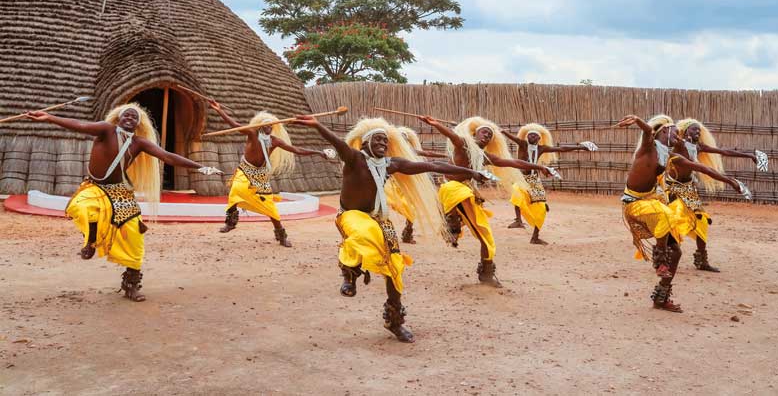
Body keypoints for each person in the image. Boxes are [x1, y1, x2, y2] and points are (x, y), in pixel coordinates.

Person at [292, 115, 489, 343]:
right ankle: (350, 271)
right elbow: (338, 143)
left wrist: (472, 173)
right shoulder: (354, 158)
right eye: (378, 140)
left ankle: (395, 320)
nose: (383, 144)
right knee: (366, 234)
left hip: (379, 219)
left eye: (385, 141)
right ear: (365, 142)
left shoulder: (391, 164)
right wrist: (317, 125)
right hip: (351, 216)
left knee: (395, 267)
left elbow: (431, 165)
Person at [26, 104, 221, 302]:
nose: (129, 118)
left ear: (138, 123)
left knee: (134, 235)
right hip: (94, 186)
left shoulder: (139, 143)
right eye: (126, 115)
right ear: (119, 118)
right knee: (83, 207)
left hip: (120, 191)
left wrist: (202, 168)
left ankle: (131, 283)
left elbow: (167, 156)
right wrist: (50, 118)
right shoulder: (105, 129)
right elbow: (81, 125)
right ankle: (91, 241)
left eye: (134, 117)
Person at [617, 114, 750, 313]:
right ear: (663, 131)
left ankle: (661, 297)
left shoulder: (671, 157)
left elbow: (702, 167)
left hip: (653, 201)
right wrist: (637, 120)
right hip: (635, 203)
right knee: (667, 213)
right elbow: (647, 130)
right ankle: (659, 261)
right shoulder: (648, 147)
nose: (678, 135)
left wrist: (731, 182)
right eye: (674, 131)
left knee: (677, 252)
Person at [419, 115, 556, 287]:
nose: (487, 136)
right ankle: (451, 220)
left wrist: (539, 167)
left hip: (466, 192)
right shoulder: (463, 145)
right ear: (475, 134)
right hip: (452, 189)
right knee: (463, 195)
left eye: (490, 135)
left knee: (486, 236)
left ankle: (486, 270)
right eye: (484, 132)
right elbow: (451, 135)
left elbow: (513, 162)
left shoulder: (485, 157)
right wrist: (435, 123)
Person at [209, 101, 329, 247]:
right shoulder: (252, 133)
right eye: (266, 126)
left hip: (261, 176)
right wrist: (219, 110)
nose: (269, 128)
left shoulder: (274, 141)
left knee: (270, 207)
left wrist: (318, 152)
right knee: (236, 190)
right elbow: (234, 125)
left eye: (271, 126)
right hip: (245, 169)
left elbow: (296, 150)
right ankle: (231, 222)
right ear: (260, 127)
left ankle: (281, 235)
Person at [671, 118, 764, 271]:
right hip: (672, 189)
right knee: (673, 221)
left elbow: (724, 151)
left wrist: (749, 155)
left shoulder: (698, 147)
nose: (698, 132)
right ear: (686, 130)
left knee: (701, 222)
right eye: (694, 129)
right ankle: (664, 257)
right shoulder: (678, 144)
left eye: (699, 130)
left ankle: (701, 260)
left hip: (688, 190)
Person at [502, 124, 598, 244]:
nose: (531, 136)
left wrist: (581, 147)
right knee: (517, 194)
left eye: (534, 135)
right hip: (521, 177)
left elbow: (561, 149)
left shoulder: (541, 148)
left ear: (539, 138)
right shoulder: (523, 144)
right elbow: (512, 138)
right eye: (529, 135)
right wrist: (503, 132)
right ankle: (518, 220)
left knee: (542, 209)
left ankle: (535, 237)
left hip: (534, 180)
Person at [388, 126, 449, 244]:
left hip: (407, 185)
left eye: (405, 139)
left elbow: (427, 153)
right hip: (392, 184)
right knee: (383, 205)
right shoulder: (389, 152)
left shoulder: (411, 151)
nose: (403, 141)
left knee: (411, 210)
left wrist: (445, 156)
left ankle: (408, 232)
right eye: (401, 139)